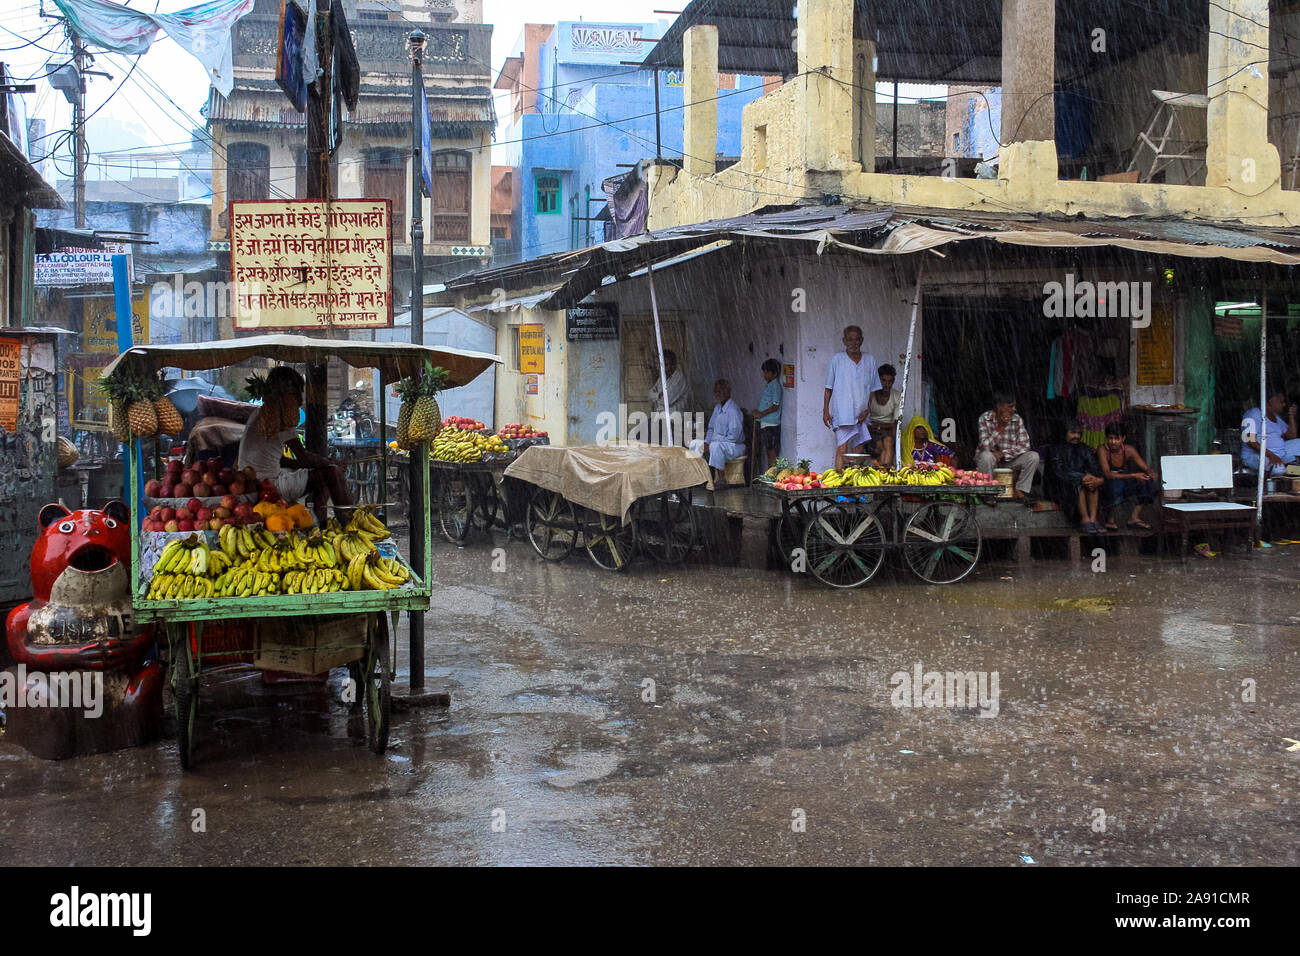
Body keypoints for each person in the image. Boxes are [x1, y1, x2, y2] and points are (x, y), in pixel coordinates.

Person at [238, 366, 355, 526]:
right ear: (285, 394)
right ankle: (351, 524)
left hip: (255, 482)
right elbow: (304, 458)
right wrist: (332, 464)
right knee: (333, 473)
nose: (300, 399)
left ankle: (321, 519)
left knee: (322, 472)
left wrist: (323, 464)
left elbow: (281, 460)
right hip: (270, 486)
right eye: (297, 393)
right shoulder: (279, 417)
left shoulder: (259, 414)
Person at [822, 325, 881, 471]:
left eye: (856, 340)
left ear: (861, 340)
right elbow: (828, 388)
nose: (853, 343)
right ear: (844, 341)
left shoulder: (870, 360)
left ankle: (853, 479)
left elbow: (873, 390)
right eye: (849, 340)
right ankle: (839, 483)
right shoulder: (837, 359)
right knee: (842, 448)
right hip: (842, 412)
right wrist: (825, 411)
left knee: (859, 448)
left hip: (862, 413)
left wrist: (867, 410)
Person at [1045, 419, 1106, 532]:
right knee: (1080, 485)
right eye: (1073, 432)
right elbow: (1059, 471)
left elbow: (1094, 467)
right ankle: (1085, 520)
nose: (1076, 436)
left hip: (1082, 481)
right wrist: (1081, 478)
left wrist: (1098, 479)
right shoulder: (1055, 449)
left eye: (1078, 433)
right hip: (1059, 487)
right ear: (1065, 432)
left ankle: (1093, 520)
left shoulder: (1085, 448)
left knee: (1092, 484)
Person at [975, 392, 1040, 498]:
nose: (1014, 409)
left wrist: (1004, 454)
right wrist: (1001, 427)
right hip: (990, 461)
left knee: (1033, 456)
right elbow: (985, 446)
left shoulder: (1017, 419)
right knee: (986, 456)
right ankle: (988, 492)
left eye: (1014, 406)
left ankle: (1020, 490)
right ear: (999, 406)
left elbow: (1025, 445)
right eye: (1010, 406)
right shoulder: (984, 418)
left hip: (1010, 460)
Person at [1096, 421, 1158, 531]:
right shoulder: (1102, 450)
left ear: (1123, 439)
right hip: (1105, 482)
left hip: (1123, 479)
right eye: (1110, 438)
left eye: (1117, 438)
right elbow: (1107, 474)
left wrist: (1151, 473)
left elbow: (1145, 467)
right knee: (1116, 485)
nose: (1113, 442)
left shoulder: (1129, 450)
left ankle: (1134, 518)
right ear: (1106, 438)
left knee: (1149, 483)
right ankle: (1110, 519)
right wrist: (1134, 475)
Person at [689, 379, 746, 487]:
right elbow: (711, 429)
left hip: (734, 445)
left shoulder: (733, 410)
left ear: (728, 392)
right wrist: (706, 442)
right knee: (694, 444)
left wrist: (711, 444)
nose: (717, 394)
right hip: (720, 443)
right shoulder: (717, 408)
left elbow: (733, 437)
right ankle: (700, 478)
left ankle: (721, 479)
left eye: (720, 391)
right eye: (716, 392)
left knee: (716, 446)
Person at [1241, 388, 1300, 475]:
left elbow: (1292, 436)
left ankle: (1288, 468)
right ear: (1270, 401)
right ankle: (1278, 477)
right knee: (1278, 469)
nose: (1284, 405)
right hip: (1256, 455)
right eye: (1281, 401)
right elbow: (1250, 441)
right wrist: (1271, 455)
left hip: (1278, 452)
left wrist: (1291, 416)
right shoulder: (1253, 414)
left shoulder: (1276, 417)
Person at [750, 358, 782, 471]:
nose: (765, 374)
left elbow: (775, 406)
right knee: (769, 451)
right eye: (764, 372)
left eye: (767, 372)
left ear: (774, 373)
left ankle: (772, 477)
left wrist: (761, 414)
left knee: (772, 452)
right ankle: (770, 475)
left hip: (771, 424)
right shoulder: (769, 385)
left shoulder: (775, 386)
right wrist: (757, 412)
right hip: (766, 423)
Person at [867, 363, 902, 468]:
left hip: (887, 431)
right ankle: (883, 471)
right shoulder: (870, 395)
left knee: (889, 441)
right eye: (883, 380)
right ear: (878, 380)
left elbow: (895, 424)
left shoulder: (896, 396)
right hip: (869, 431)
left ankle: (884, 471)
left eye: (890, 381)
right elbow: (865, 421)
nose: (887, 384)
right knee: (879, 446)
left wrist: (896, 443)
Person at [647, 348, 689, 414]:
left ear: (674, 364)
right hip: (662, 416)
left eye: (671, 365)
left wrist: (657, 397)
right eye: (665, 365)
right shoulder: (662, 378)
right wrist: (659, 395)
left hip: (675, 418)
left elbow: (666, 400)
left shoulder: (679, 378)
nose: (668, 368)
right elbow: (650, 394)